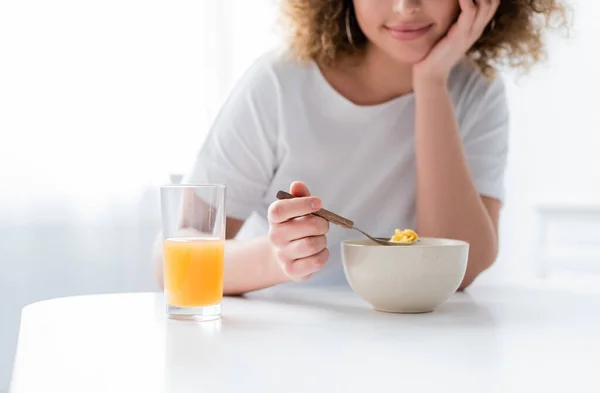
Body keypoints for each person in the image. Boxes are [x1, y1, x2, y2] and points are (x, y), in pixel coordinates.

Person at [154, 0, 568, 294]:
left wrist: (430, 82)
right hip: (281, 341)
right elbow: (170, 263)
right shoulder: (279, 83)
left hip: (418, 346)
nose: (406, 6)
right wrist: (274, 258)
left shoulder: (476, 92)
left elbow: (460, 269)